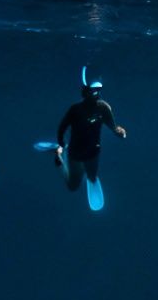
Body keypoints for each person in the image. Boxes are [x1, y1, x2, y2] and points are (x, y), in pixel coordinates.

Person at [53, 68, 126, 207]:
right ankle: (59, 155)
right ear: (85, 91)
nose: (97, 94)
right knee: (73, 186)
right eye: (93, 91)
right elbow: (62, 127)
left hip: (93, 153)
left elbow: (113, 126)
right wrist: (60, 143)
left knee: (92, 177)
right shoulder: (75, 110)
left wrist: (120, 132)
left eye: (99, 90)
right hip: (76, 154)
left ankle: (88, 175)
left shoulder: (104, 108)